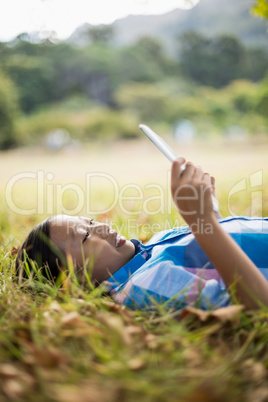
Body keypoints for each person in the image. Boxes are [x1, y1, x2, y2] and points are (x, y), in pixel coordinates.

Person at [16, 158, 268, 310]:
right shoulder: (145, 284)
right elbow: (255, 304)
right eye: (84, 237)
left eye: (91, 222)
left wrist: (212, 216)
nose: (103, 228)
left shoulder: (154, 247)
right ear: (75, 286)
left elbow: (216, 259)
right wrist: (200, 220)